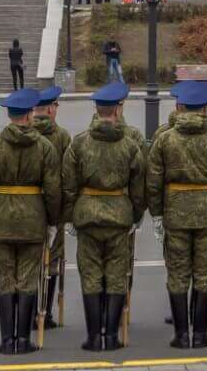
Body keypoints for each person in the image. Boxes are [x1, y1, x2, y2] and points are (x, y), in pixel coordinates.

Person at [147, 80, 207, 349]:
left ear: (181, 106)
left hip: (175, 211)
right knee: (205, 271)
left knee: (177, 272)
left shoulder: (165, 138)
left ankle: (181, 334)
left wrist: (156, 213)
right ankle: (199, 334)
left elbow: (153, 180)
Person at [0, 88, 61, 355]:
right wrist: (53, 221)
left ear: (10, 114)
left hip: (0, 218)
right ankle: (23, 339)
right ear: (31, 113)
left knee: (5, 279)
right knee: (27, 279)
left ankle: (7, 340)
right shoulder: (45, 147)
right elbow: (53, 190)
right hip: (33, 219)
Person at [61, 81, 147, 352]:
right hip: (119, 214)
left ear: (97, 111)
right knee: (116, 273)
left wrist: (71, 214)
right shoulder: (130, 145)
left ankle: (93, 337)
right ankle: (111, 336)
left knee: (91, 274)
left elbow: (68, 184)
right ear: (117, 110)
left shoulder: (79, 143)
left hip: (87, 214)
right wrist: (136, 214)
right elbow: (139, 185)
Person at [32, 86, 71, 329]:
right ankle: (44, 312)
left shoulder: (19, 132)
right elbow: (68, 176)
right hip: (52, 207)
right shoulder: (61, 136)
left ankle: (26, 312)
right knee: (53, 260)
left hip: (23, 207)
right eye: (55, 105)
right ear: (49, 109)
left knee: (27, 260)